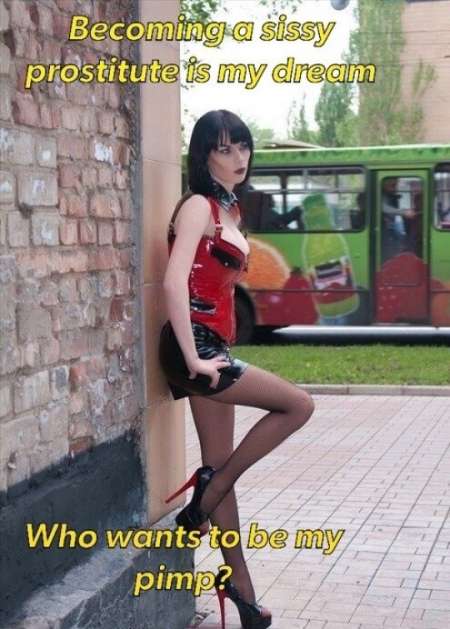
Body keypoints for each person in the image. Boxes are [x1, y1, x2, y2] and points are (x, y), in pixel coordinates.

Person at [159, 110, 315, 629]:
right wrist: (191, 357)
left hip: (213, 346)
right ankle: (209, 492)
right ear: (204, 156)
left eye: (243, 146)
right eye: (224, 148)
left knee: (218, 464)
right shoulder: (198, 207)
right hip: (196, 348)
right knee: (298, 405)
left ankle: (242, 591)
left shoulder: (230, 210)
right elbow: (173, 281)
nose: (239, 157)